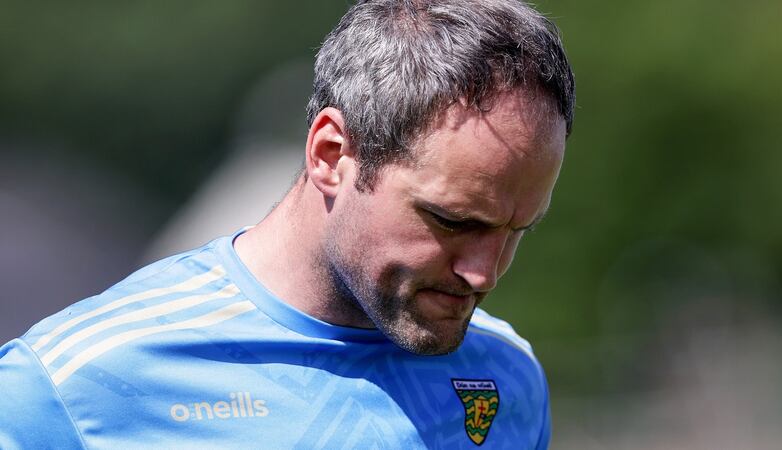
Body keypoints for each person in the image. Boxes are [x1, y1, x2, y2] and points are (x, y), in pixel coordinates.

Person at [0, 0, 574, 448]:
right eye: (452, 220)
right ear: (330, 155)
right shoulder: (67, 387)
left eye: (517, 230)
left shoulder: (506, 374)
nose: (484, 273)